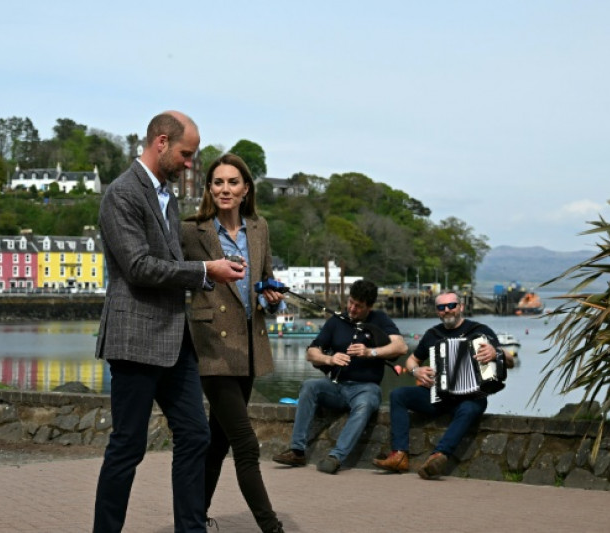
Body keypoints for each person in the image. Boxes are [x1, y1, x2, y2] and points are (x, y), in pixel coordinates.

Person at [92, 111, 246, 533]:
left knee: (196, 436)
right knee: (127, 447)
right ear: (161, 142)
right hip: (135, 339)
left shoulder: (168, 197)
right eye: (186, 154)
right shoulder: (122, 194)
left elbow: (173, 260)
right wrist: (204, 272)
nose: (190, 163)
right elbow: (139, 267)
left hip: (175, 341)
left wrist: (222, 269)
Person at [180, 153, 286, 533]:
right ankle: (271, 527)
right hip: (213, 349)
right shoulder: (192, 231)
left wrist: (273, 298)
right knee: (246, 444)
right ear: (209, 188)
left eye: (233, 182)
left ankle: (193, 519)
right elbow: (176, 274)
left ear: (245, 190)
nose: (225, 189)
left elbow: (266, 280)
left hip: (251, 348)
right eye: (218, 182)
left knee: (218, 444)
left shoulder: (259, 228)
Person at [373, 291, 514, 479]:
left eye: (451, 306)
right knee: (398, 395)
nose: (447, 310)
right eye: (441, 307)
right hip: (438, 396)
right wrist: (417, 371)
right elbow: (412, 360)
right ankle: (399, 454)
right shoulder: (433, 335)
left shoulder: (480, 331)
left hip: (470, 397)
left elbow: (510, 361)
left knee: (472, 407)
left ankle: (438, 456)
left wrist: (497, 352)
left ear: (461, 307)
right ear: (437, 311)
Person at [272, 279, 407, 474]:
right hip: (336, 386)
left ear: (369, 306)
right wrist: (330, 359)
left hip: (365, 387)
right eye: (350, 302)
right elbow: (311, 353)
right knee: (310, 386)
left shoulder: (380, 319)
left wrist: (370, 352)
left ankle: (336, 456)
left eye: (358, 306)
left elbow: (400, 346)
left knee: (366, 403)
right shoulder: (337, 321)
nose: (352, 308)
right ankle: (297, 451)